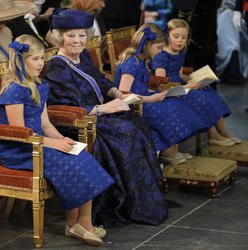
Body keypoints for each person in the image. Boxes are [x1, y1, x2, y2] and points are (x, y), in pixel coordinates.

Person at [44, 9, 169, 228]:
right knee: (126, 130)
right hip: (79, 123)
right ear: (59, 37)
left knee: (137, 123)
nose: (77, 40)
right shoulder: (56, 66)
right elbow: (71, 105)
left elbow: (101, 79)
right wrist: (104, 108)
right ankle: (122, 204)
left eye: (82, 35)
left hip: (102, 112)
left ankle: (141, 199)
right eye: (71, 35)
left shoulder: (83, 56)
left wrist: (116, 93)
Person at [0, 34, 115, 246]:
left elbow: (45, 124)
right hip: (19, 150)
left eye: (42, 58)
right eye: (35, 59)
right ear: (20, 61)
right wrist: (54, 144)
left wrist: (63, 140)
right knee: (68, 163)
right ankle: (73, 224)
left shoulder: (40, 85)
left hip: (39, 141)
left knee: (80, 155)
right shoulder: (14, 90)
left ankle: (83, 223)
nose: (41, 63)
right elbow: (19, 133)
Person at [114, 22, 207, 164]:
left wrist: (157, 93)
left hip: (143, 99)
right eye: (158, 47)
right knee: (166, 110)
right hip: (133, 106)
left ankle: (168, 150)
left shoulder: (141, 61)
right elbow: (123, 95)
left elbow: (140, 86)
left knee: (175, 103)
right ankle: (167, 151)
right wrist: (151, 99)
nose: (160, 51)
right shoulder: (131, 64)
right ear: (147, 45)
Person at [150, 18, 241, 146]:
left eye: (184, 37)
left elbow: (179, 73)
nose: (180, 40)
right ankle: (213, 135)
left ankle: (223, 131)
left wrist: (192, 79)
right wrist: (188, 86)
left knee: (209, 93)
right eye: (176, 36)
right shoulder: (161, 57)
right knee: (199, 100)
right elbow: (161, 85)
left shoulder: (181, 52)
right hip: (169, 90)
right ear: (167, 36)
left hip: (181, 86)